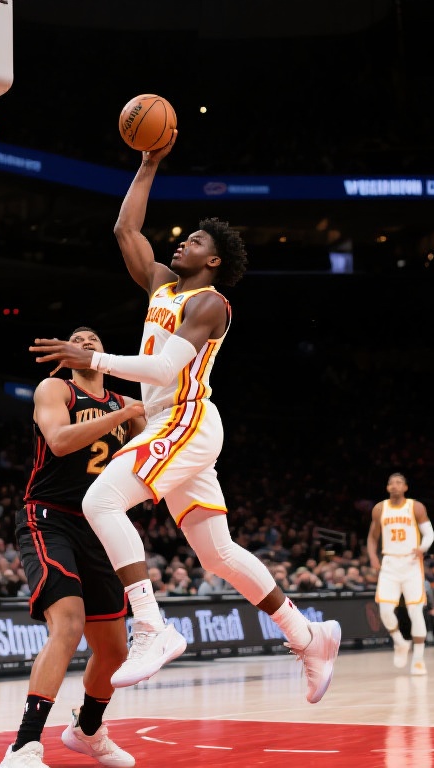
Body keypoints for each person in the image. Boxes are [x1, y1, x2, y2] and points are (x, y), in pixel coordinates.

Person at [28, 136, 341, 704]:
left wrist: (92, 359)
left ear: (213, 261)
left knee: (101, 501)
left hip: (185, 419)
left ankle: (152, 627)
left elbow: (164, 366)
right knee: (217, 554)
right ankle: (308, 636)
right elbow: (126, 229)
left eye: (195, 240)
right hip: (166, 425)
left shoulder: (209, 304)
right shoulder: (162, 286)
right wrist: (147, 165)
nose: (182, 241)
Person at [0, 326, 146, 768]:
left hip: (101, 525)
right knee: (68, 624)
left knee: (115, 650)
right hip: (50, 518)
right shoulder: (56, 389)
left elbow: (149, 462)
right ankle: (24, 746)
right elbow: (60, 442)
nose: (86, 342)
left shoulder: (126, 403)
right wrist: (125, 416)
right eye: (77, 339)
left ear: (105, 354)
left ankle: (88, 729)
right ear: (66, 354)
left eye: (93, 339)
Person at [366, 473, 434, 675]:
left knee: (415, 611)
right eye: (391, 483)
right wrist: (373, 557)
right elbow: (372, 537)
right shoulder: (380, 509)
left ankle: (419, 660)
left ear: (405, 487)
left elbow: (429, 533)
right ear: (388, 488)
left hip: (411, 562)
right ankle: (400, 642)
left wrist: (422, 548)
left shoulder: (415, 507)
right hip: (389, 562)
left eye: (398, 482)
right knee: (385, 610)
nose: (394, 485)